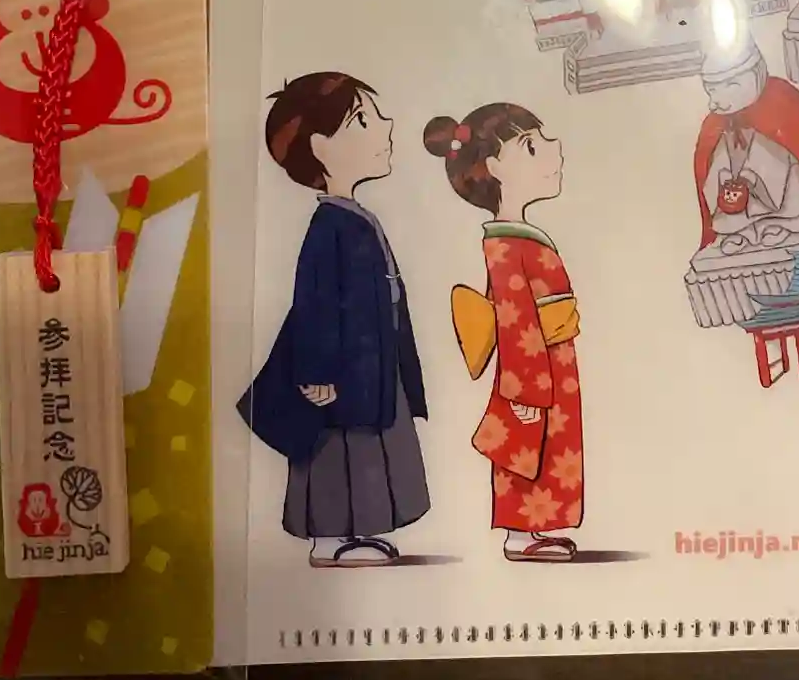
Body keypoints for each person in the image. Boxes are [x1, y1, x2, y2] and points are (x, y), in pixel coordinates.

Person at [239, 72, 429, 569]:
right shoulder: (329, 225)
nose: (386, 126)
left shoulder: (355, 216)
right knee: (334, 451)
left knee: (368, 447)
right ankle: (327, 540)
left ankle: (361, 530)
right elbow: (314, 301)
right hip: (338, 371)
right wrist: (316, 371)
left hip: (370, 363)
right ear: (320, 147)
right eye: (364, 120)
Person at [424, 103, 585, 563]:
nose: (553, 149)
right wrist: (524, 389)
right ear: (494, 167)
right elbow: (515, 319)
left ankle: (539, 528)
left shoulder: (520, 237)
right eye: (531, 146)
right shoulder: (504, 244)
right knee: (526, 447)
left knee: (551, 446)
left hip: (553, 360)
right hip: (532, 367)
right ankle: (520, 533)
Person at [693, 31, 799, 256]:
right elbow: (708, 163)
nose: (716, 100)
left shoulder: (781, 100)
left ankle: (781, 224)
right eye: (711, 90)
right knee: (724, 175)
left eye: (729, 86)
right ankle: (741, 232)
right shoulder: (717, 123)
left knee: (778, 170)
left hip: (783, 182)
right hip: (737, 181)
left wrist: (754, 175)